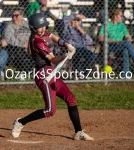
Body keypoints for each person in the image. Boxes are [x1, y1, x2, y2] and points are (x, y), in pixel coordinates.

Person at [11, 13, 94, 141]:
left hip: (52, 73)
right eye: (40, 27)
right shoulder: (37, 41)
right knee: (50, 110)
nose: (43, 29)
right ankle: (21, 122)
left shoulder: (43, 33)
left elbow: (55, 38)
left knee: (71, 98)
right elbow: (54, 60)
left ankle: (78, 132)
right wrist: (67, 55)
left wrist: (67, 45)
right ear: (33, 28)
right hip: (44, 76)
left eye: (44, 26)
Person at [98, 8, 134, 76]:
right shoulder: (107, 25)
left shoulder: (122, 25)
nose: (122, 17)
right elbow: (100, 38)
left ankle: (125, 74)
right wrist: (111, 40)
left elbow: (128, 36)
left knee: (125, 50)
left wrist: (130, 39)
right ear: (115, 16)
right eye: (121, 16)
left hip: (121, 45)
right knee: (126, 44)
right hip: (110, 46)